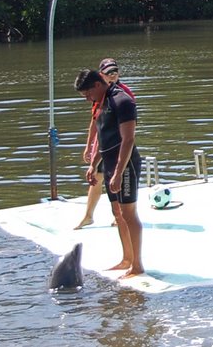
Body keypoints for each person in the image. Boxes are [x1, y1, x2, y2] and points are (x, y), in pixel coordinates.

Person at [74, 68, 144, 279]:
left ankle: (138, 265)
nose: (87, 99)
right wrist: (93, 164)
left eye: (88, 94)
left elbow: (128, 140)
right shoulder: (100, 102)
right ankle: (127, 259)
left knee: (129, 214)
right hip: (110, 163)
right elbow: (103, 138)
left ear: (97, 84)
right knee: (118, 214)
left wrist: (118, 172)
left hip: (126, 165)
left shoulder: (122, 101)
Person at [76, 58, 135, 229]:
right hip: (102, 145)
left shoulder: (123, 96)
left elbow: (128, 134)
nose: (113, 75)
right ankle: (89, 215)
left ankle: (120, 218)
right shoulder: (98, 97)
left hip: (118, 145)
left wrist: (118, 171)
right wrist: (89, 147)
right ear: (101, 75)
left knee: (119, 190)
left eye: (115, 72)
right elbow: (95, 123)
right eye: (109, 72)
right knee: (96, 178)